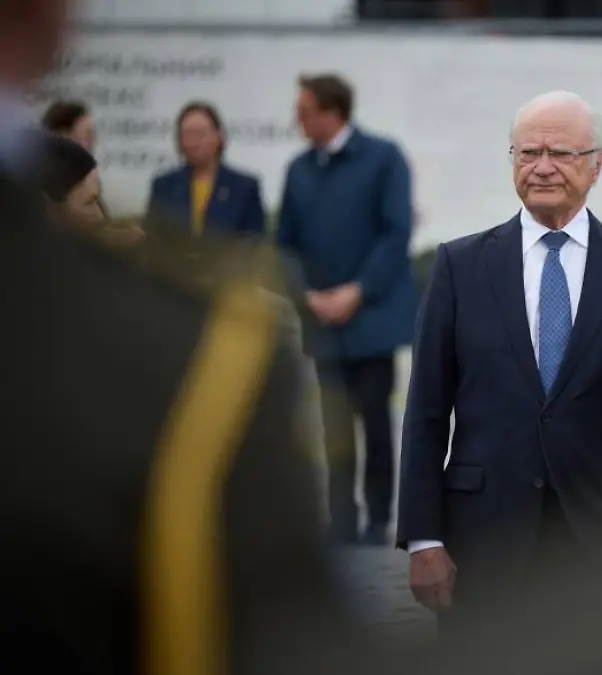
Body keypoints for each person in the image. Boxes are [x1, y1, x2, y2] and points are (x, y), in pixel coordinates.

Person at [0, 2, 393, 673]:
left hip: (351, 312)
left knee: (371, 425)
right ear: (44, 23)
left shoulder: (351, 168)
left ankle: (369, 519)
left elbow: (366, 238)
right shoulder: (192, 362)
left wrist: (346, 293)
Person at [398, 90, 602, 652]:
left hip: (601, 543)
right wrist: (422, 540)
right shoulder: (460, 266)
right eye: (527, 152)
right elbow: (425, 415)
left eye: (560, 153)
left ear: (598, 163)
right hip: (479, 549)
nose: (541, 168)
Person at [276, 73, 417, 546]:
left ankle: (378, 517)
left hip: (371, 319)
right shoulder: (299, 169)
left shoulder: (383, 158)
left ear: (331, 113)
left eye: (304, 111)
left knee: (375, 421)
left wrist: (357, 291)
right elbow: (285, 244)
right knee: (333, 426)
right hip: (322, 322)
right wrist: (307, 295)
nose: (297, 120)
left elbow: (396, 232)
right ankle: (341, 519)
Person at [147, 101, 266, 238]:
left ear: (218, 137)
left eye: (199, 134)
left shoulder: (244, 187)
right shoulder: (164, 186)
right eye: (187, 134)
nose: (193, 142)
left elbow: (253, 243)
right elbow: (154, 239)